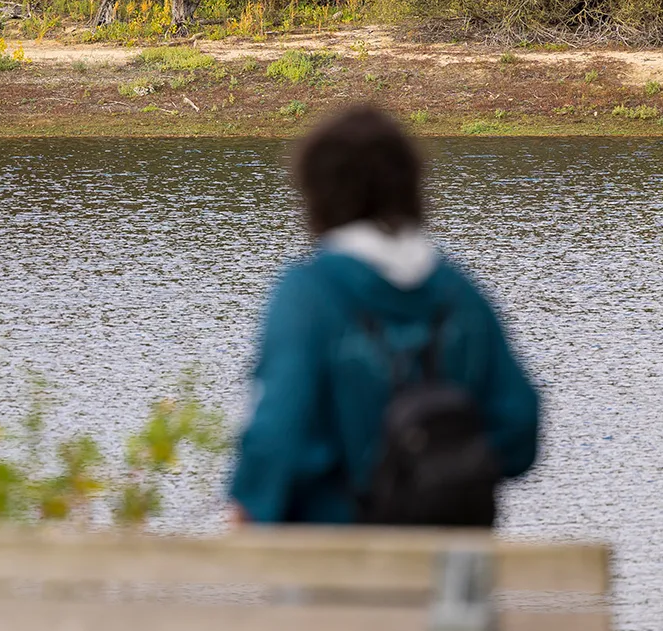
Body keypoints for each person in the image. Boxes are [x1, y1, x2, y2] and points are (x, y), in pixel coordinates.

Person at [229, 105, 540, 525]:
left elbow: (277, 436)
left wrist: (250, 508)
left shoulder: (309, 292)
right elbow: (519, 430)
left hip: (338, 560)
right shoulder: (460, 293)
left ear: (317, 192)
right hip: (448, 566)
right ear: (412, 185)